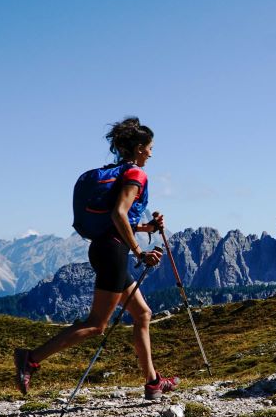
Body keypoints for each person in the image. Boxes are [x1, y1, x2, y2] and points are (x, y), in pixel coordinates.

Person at [14, 117, 178, 398]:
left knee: (142, 314)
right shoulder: (136, 175)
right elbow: (118, 215)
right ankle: (31, 358)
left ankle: (152, 383)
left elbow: (115, 218)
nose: (151, 153)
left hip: (106, 247)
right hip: (113, 252)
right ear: (139, 148)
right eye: (149, 148)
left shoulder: (119, 171)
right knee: (96, 325)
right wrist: (139, 252)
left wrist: (147, 228)